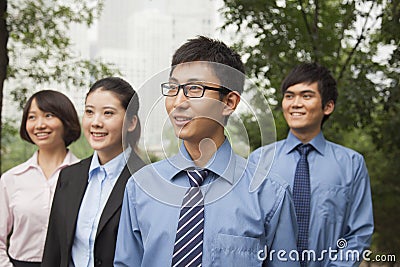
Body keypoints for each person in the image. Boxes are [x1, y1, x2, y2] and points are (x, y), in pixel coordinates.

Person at [114, 36, 299, 266]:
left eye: (194, 88)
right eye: (173, 88)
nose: (178, 101)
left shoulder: (270, 193)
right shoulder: (141, 187)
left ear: (229, 102)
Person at [249, 62, 374, 266]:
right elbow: (249, 229)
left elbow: (359, 233)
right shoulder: (259, 161)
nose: (295, 103)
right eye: (289, 96)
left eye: (306, 96)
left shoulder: (352, 164)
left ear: (328, 106)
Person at [41, 77, 146, 267]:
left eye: (108, 113)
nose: (95, 122)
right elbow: (54, 251)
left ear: (131, 122)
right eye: (89, 112)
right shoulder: (68, 177)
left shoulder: (147, 181)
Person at [0, 90, 81, 267]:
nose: (39, 125)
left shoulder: (86, 177)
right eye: (32, 117)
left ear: (66, 121)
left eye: (49, 115)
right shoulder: (11, 179)